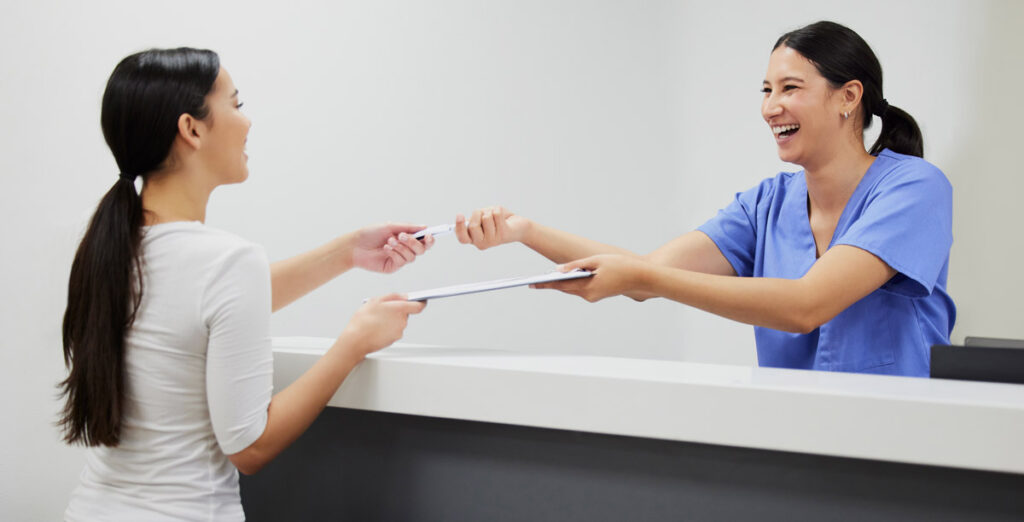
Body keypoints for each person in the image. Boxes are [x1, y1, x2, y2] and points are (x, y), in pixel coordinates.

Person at [454, 21, 955, 377]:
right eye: (765, 89)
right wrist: (524, 231)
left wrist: (647, 278)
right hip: (798, 439)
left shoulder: (914, 189)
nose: (770, 107)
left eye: (790, 87)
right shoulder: (766, 204)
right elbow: (645, 274)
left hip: (897, 436)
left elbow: (807, 305)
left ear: (849, 97)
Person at [60, 48, 432, 520]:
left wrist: (347, 252)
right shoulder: (226, 262)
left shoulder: (106, 252)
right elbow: (250, 446)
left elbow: (206, 311)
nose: (248, 121)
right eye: (236, 104)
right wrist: (354, 343)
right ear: (190, 129)